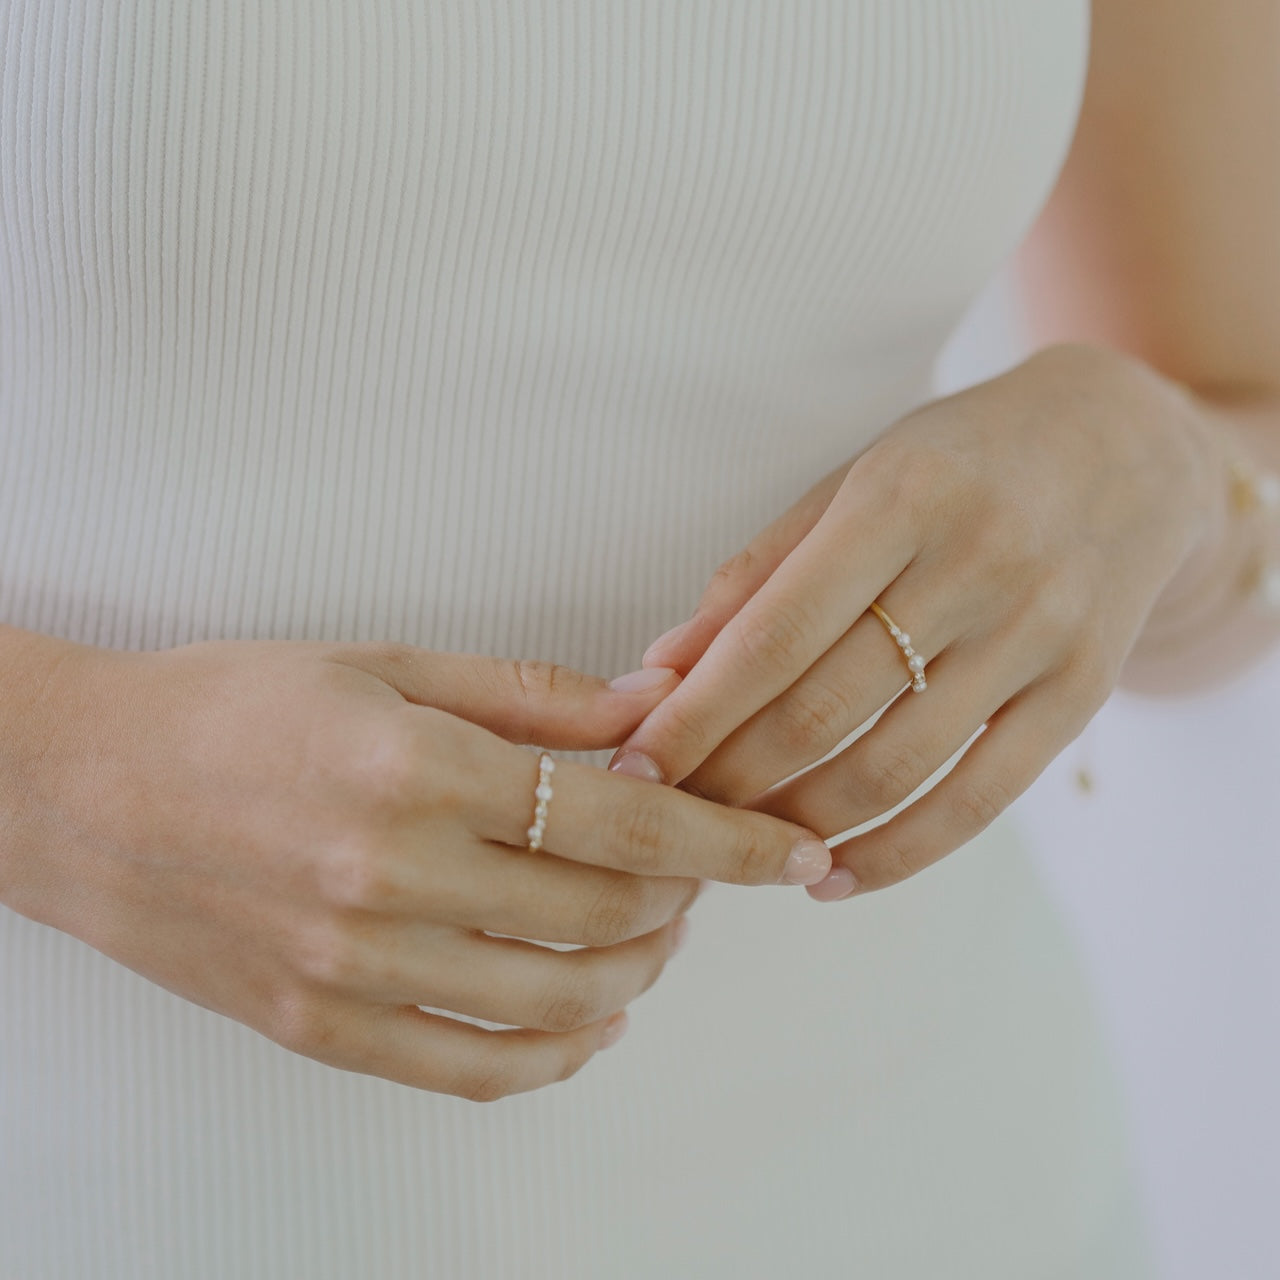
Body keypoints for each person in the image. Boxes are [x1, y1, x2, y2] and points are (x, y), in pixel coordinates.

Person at [1, 1, 1275, 1275]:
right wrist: (56, 771)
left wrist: (1148, 460)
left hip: (939, 1188)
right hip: (110, 1193)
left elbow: (1236, 411)